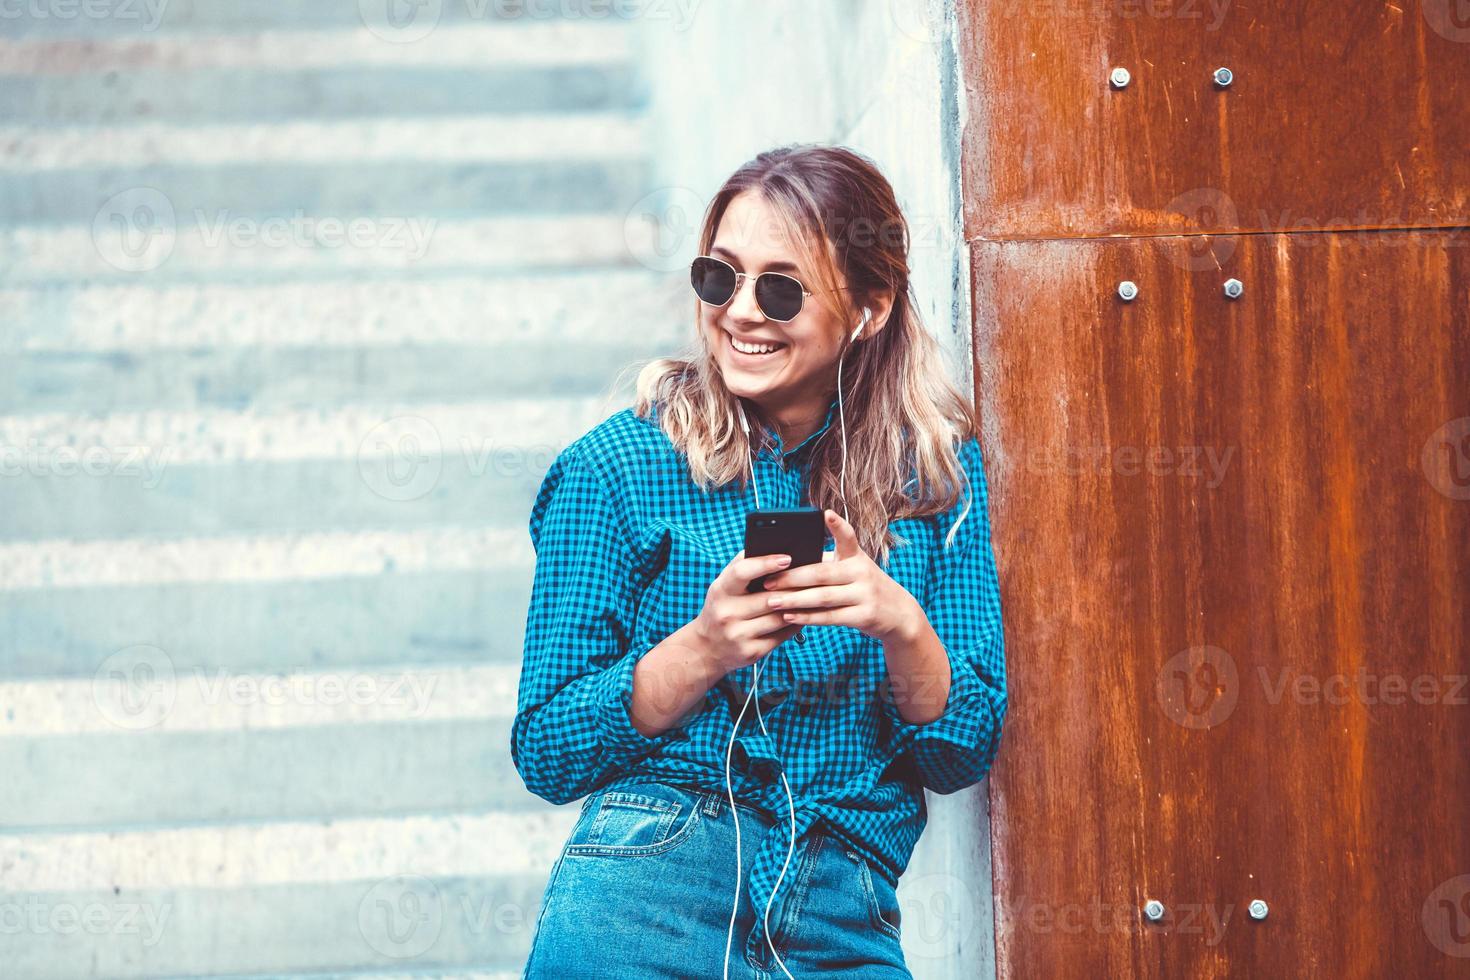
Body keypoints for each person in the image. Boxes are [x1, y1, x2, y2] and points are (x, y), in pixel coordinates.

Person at [513, 144, 1007, 979]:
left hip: (841, 907)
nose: (741, 312)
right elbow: (549, 750)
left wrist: (901, 625)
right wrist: (701, 648)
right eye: (720, 277)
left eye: (780, 288)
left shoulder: (936, 477)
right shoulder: (618, 469)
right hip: (650, 888)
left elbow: (957, 754)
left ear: (869, 307)